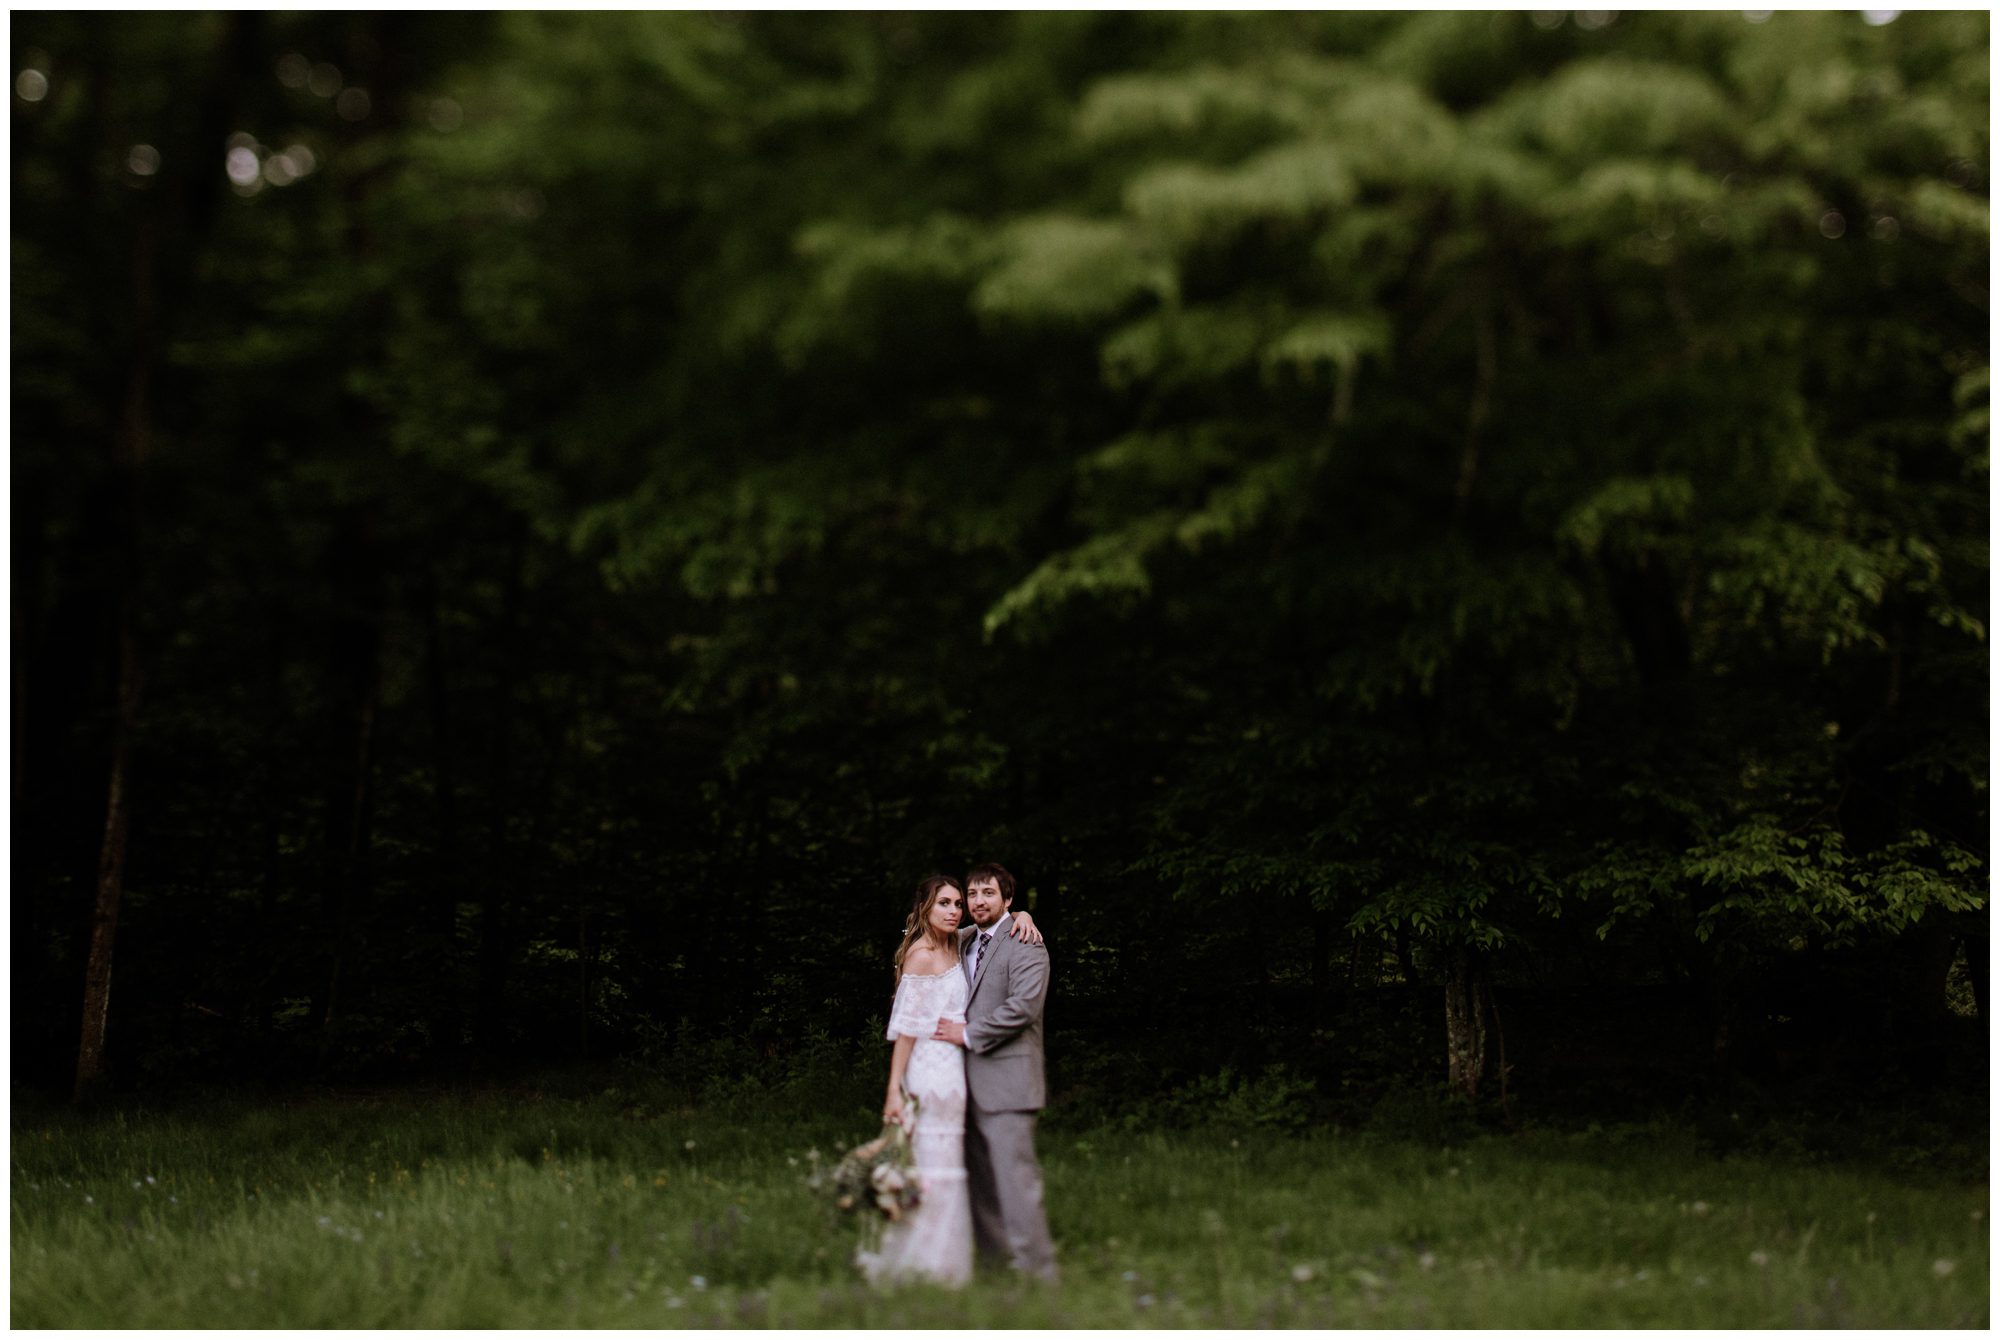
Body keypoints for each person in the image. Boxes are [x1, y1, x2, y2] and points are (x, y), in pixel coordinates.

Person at [861, 875, 1041, 1287]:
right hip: (927, 1070)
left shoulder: (955, 944)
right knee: (925, 1167)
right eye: (944, 903)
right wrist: (894, 1089)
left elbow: (992, 926)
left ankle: (948, 1264)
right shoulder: (923, 955)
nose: (954, 910)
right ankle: (918, 1263)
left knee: (949, 1168)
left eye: (958, 903)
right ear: (926, 908)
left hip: (957, 1072)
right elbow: (905, 1029)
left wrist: (1022, 914)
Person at [932, 862, 1057, 1282]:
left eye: (989, 893)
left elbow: (1023, 1007)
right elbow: (922, 932)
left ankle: (1037, 1271)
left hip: (1008, 1082)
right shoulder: (963, 939)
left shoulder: (1026, 942)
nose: (978, 901)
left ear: (1007, 900)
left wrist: (969, 1033)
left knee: (1015, 1179)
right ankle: (995, 1262)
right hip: (961, 1084)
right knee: (979, 1181)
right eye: (973, 894)